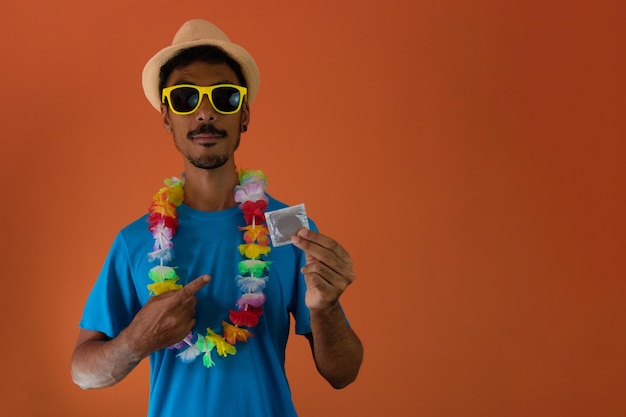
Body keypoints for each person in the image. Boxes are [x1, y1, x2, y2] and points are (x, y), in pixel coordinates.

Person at [71, 18, 363, 417]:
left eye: (224, 97)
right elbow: (83, 373)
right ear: (166, 118)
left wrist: (327, 308)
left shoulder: (290, 229)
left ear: (244, 115)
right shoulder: (134, 241)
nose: (205, 113)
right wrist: (135, 342)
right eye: (185, 99)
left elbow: (342, 374)